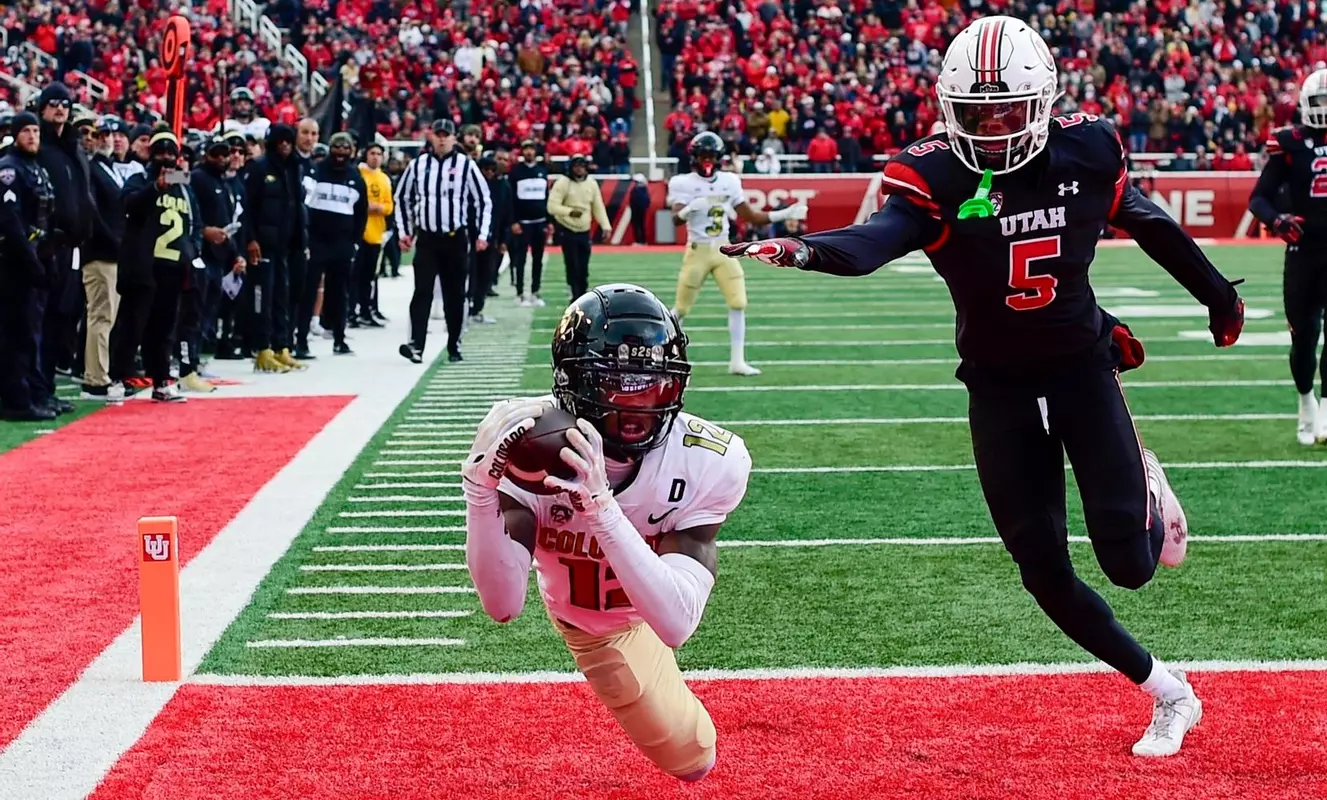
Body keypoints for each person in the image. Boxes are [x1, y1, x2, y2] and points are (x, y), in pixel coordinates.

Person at [722, 16, 1246, 757]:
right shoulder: (933, 175)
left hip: (1080, 368)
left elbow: (1147, 219)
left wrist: (1218, 296)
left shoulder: (1086, 150)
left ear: (1043, 102)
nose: (993, 129)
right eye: (976, 114)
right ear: (948, 109)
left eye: (1007, 112)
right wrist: (807, 249)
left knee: (1130, 566)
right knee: (1042, 571)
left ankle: (1148, 484)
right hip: (998, 387)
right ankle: (1169, 692)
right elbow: (876, 241)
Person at [463, 283, 750, 782]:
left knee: (693, 760)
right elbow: (502, 605)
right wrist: (479, 493)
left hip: (647, 606)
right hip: (592, 624)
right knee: (693, 756)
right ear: (571, 382)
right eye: (619, 383)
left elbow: (677, 624)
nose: (639, 404)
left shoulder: (708, 460)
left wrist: (600, 508)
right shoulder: (529, 448)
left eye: (654, 382)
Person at [668, 131, 807, 377]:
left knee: (738, 302)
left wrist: (784, 214)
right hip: (698, 250)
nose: (707, 160)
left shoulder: (729, 181)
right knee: (681, 309)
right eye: (703, 156)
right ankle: (665, 355)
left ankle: (737, 361)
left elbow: (751, 216)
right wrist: (690, 209)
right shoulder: (682, 183)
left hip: (724, 248)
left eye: (711, 156)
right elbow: (675, 219)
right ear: (694, 157)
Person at [1247, 67, 1327, 446]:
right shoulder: (1290, 143)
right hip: (1303, 252)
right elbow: (1258, 198)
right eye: (1320, 101)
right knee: (1304, 338)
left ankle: (1326, 411)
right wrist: (1277, 220)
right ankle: (1306, 402)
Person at [393, 119, 491, 364]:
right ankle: (416, 344)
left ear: (454, 138)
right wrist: (404, 231)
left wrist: (482, 234)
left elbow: (483, 200)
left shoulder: (465, 165)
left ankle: (454, 343)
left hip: (454, 238)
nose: (442, 139)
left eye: (446, 135)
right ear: (431, 136)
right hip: (427, 238)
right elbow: (402, 197)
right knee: (422, 292)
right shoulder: (418, 165)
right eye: (438, 134)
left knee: (454, 294)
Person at [112, 132, 198, 403]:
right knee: (132, 326)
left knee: (164, 329)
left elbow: (194, 222)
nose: (166, 157)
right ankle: (118, 378)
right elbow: (128, 205)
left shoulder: (183, 184)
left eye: (171, 153)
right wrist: (155, 189)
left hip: (172, 266)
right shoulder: (138, 178)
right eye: (160, 152)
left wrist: (191, 254)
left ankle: (160, 381)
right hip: (143, 264)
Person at [34, 82, 93, 415]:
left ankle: (48, 388)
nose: (60, 109)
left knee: (62, 318)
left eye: (65, 104)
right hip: (47, 246)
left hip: (73, 246)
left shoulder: (74, 148)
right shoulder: (39, 147)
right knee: (41, 319)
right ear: (42, 108)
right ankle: (36, 389)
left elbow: (84, 197)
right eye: (54, 103)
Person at [0, 113, 56, 420]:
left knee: (33, 331)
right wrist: (31, 261)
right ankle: (16, 400)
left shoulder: (36, 167)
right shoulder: (9, 168)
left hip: (37, 256)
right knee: (17, 333)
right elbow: (11, 221)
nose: (33, 136)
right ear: (15, 134)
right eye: (26, 131)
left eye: (35, 130)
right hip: (15, 261)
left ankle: (35, 393)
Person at [242, 123, 306, 373]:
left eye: (288, 141)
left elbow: (297, 206)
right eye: (281, 141)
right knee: (263, 297)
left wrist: (300, 239)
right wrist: (250, 239)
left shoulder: (295, 167)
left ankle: (282, 346)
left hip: (285, 244)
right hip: (263, 245)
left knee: (282, 296)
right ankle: (262, 349)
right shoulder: (259, 168)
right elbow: (247, 208)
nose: (285, 146)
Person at [186, 136, 244, 389]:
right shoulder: (196, 177)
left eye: (225, 154)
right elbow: (187, 209)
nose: (221, 158)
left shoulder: (226, 182)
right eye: (216, 154)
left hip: (219, 256)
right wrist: (203, 232)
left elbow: (228, 222)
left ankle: (196, 360)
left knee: (207, 313)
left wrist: (235, 254)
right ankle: (187, 363)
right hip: (200, 255)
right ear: (205, 155)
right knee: (194, 312)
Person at [303, 132, 367, 357]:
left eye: (345, 148)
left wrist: (355, 242)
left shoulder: (356, 177)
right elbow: (305, 206)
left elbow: (361, 213)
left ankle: (339, 339)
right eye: (337, 147)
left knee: (340, 293)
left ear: (352, 151)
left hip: (342, 243)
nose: (341, 152)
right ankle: (301, 340)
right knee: (308, 291)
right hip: (317, 241)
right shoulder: (316, 171)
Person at [80, 117, 126, 401]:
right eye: (103, 134)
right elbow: (93, 212)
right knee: (101, 315)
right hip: (101, 252)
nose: (108, 138)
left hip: (113, 253)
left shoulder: (112, 169)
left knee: (107, 316)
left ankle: (102, 373)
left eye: (113, 133)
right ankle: (95, 379)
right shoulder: (92, 168)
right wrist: (114, 241)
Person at [547, 155, 610, 300]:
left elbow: (598, 206)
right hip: (567, 228)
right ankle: (574, 293)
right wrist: (569, 212)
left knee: (583, 265)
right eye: (576, 166)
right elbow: (552, 206)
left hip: (584, 229)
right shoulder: (563, 183)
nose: (579, 169)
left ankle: (582, 294)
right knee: (572, 264)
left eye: (582, 166)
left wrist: (605, 226)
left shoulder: (591, 183)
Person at [354, 140, 393, 330]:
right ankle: (352, 312)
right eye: (372, 153)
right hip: (359, 233)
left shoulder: (384, 179)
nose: (376, 157)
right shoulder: (359, 174)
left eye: (379, 154)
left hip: (376, 234)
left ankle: (367, 310)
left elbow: (389, 206)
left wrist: (380, 208)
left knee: (370, 277)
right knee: (355, 275)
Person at [470, 152, 510, 326]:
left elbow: (505, 214)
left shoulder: (502, 186)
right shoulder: (468, 187)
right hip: (470, 237)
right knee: (469, 274)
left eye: (491, 170)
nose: (488, 173)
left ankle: (477, 308)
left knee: (486, 274)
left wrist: (503, 239)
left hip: (491, 237)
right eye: (485, 169)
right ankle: (466, 308)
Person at [508, 139, 549, 306]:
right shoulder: (515, 172)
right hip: (522, 223)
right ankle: (520, 293)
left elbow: (547, 197)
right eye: (526, 149)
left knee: (538, 259)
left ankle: (535, 292)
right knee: (520, 259)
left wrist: (549, 221)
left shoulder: (542, 170)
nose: (529, 152)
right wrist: (513, 221)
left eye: (531, 148)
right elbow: (510, 199)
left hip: (540, 222)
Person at [629, 173, 651, 245]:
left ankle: (640, 241)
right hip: (639, 210)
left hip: (637, 210)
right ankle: (641, 241)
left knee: (638, 225)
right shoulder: (643, 190)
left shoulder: (638, 190)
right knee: (640, 225)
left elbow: (635, 201)